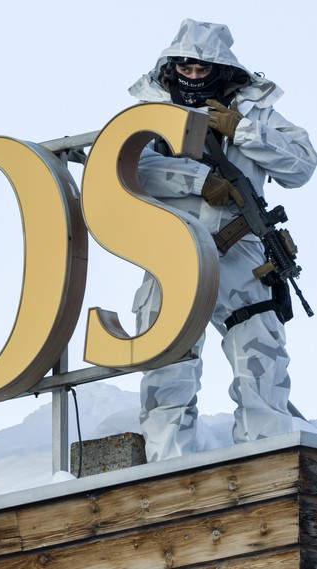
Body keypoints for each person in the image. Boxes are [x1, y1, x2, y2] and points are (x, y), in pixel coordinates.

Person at [127, 18, 317, 461]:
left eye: (202, 69)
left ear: (222, 71)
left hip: (244, 259)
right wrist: (198, 179)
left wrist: (242, 131)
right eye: (186, 69)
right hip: (173, 258)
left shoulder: (256, 115)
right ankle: (166, 469)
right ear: (172, 70)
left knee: (262, 369)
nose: (193, 76)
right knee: (166, 371)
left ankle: (266, 462)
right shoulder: (149, 117)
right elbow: (126, 165)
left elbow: (302, 166)